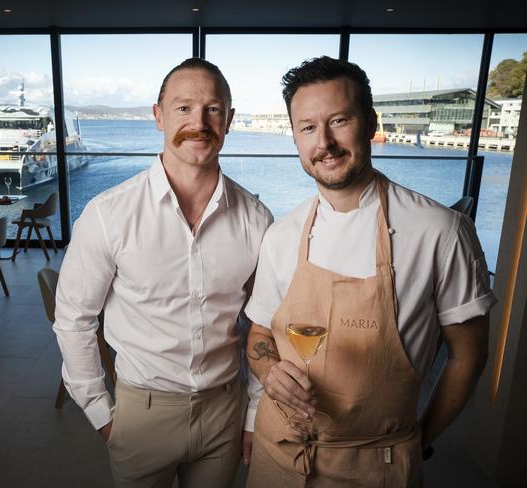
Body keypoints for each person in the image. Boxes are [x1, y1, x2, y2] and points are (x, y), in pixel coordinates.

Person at [244, 56, 496, 487]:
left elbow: (468, 357)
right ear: (295, 138)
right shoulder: (282, 234)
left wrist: (417, 441)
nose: (324, 142)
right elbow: (259, 335)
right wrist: (268, 371)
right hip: (278, 455)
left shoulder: (441, 231)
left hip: (375, 467)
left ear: (370, 122)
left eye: (339, 120)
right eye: (307, 128)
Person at [53, 57, 272, 488]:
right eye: (183, 108)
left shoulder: (257, 219)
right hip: (142, 413)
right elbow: (74, 319)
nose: (199, 122)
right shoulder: (108, 215)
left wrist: (253, 412)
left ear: (229, 120)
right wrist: (103, 416)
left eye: (213, 109)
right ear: (158, 116)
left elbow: (266, 327)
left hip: (224, 411)